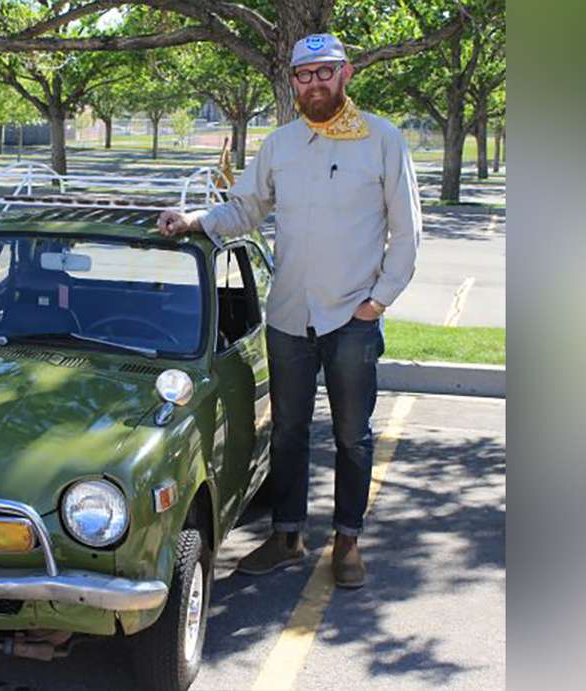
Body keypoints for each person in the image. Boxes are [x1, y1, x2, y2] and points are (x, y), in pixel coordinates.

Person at [157, 33, 421, 589]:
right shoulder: (280, 145)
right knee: (288, 432)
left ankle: (347, 541)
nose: (315, 83)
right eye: (304, 75)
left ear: (345, 73)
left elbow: (407, 232)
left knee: (353, 435)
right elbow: (246, 209)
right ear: (293, 82)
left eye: (325, 72)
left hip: (353, 317)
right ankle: (287, 536)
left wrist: (378, 302)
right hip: (289, 317)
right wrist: (195, 222)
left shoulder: (382, 140)